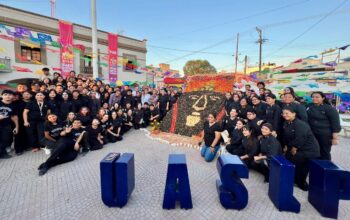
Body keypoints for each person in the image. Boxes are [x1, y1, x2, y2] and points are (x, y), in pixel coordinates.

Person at [282, 107, 320, 191]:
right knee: (289, 160)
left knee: (299, 165)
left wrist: (294, 148)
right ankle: (295, 180)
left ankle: (303, 185)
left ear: (294, 114)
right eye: (283, 113)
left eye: (287, 113)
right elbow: (286, 136)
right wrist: (286, 146)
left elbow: (300, 138)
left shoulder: (300, 124)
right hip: (296, 146)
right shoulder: (286, 123)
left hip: (308, 149)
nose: (285, 115)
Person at [306, 91, 341, 160]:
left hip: (324, 135)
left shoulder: (329, 108)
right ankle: (315, 167)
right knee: (313, 150)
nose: (314, 98)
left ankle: (326, 167)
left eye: (317, 97)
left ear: (323, 98)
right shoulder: (309, 106)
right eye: (313, 97)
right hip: (312, 133)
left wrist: (335, 138)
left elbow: (335, 123)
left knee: (324, 152)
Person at [0, 90, 19, 159]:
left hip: (6, 125)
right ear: (1, 95)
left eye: (10, 95)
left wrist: (16, 127)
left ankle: (2, 153)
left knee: (5, 139)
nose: (8, 96)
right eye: (5, 94)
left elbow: (15, 117)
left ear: (13, 96)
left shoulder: (14, 106)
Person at [14, 91, 31, 155]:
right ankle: (18, 150)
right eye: (24, 94)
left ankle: (26, 146)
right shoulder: (18, 102)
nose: (26, 95)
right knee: (18, 135)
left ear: (30, 95)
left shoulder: (32, 101)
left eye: (28, 94)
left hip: (29, 120)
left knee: (26, 134)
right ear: (22, 95)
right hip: (19, 120)